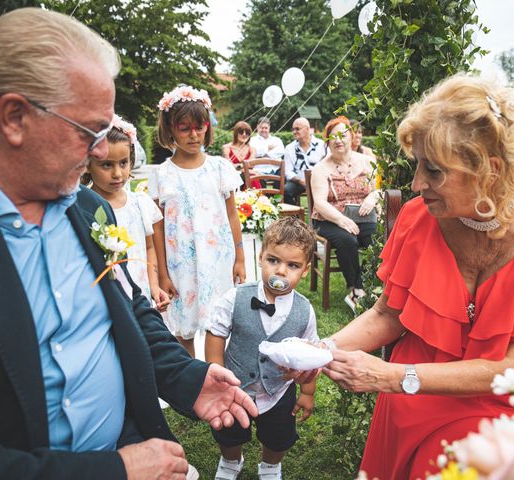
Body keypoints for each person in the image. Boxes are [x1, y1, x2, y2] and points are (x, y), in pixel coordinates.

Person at [0, 8, 257, 479]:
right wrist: (110, 471)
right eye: (88, 130)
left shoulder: (86, 210)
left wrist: (185, 377)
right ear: (14, 117)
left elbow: (129, 309)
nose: (102, 151)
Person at [311, 75, 514, 479]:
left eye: (434, 171)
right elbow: (387, 315)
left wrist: (394, 377)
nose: (417, 184)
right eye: (418, 165)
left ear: (489, 170)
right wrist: (318, 350)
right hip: (411, 401)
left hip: (505, 411)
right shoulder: (418, 218)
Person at [205, 217, 319, 480]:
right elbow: (216, 333)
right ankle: (231, 460)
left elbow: (310, 356)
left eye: (292, 265)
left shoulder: (304, 311)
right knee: (228, 430)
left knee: (278, 436)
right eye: (273, 260)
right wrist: (216, 372)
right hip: (235, 386)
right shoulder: (236, 297)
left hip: (278, 391)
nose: (280, 271)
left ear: (305, 270)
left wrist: (307, 393)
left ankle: (270, 466)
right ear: (260, 257)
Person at [150, 84, 246, 358]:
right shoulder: (162, 175)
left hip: (217, 260)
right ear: (170, 129)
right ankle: (191, 381)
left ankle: (218, 374)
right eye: (184, 128)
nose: (194, 135)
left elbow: (231, 215)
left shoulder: (219, 168)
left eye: (200, 126)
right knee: (185, 326)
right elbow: (156, 228)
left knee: (218, 322)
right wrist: (162, 274)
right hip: (180, 264)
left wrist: (239, 258)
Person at [83, 114, 170, 310]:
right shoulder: (84, 206)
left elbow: (149, 248)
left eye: (123, 163)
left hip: (141, 295)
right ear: (88, 164)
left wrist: (154, 285)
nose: (117, 173)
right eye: (106, 165)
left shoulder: (140, 203)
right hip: (103, 299)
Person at [309, 116, 379, 312]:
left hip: (363, 216)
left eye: (343, 134)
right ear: (328, 142)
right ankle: (355, 289)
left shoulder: (367, 161)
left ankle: (369, 284)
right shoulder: (321, 169)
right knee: (348, 240)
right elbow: (320, 203)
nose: (338, 140)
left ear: (352, 136)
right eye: (333, 137)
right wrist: (341, 220)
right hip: (328, 219)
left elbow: (379, 189)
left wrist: (372, 197)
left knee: (379, 237)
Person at [283, 117, 325, 204]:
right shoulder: (289, 148)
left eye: (297, 129)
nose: (294, 132)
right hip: (298, 181)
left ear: (307, 129)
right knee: (286, 191)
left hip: (318, 180)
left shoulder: (321, 145)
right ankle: (294, 216)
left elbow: (327, 166)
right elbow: (288, 171)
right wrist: (301, 181)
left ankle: (320, 215)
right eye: (293, 129)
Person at [222, 121, 261, 189]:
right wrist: (244, 168)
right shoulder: (227, 148)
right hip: (232, 177)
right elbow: (228, 166)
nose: (244, 134)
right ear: (235, 133)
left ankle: (253, 198)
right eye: (241, 132)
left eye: (247, 133)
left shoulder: (252, 149)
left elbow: (250, 164)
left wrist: (238, 167)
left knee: (252, 177)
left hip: (248, 177)